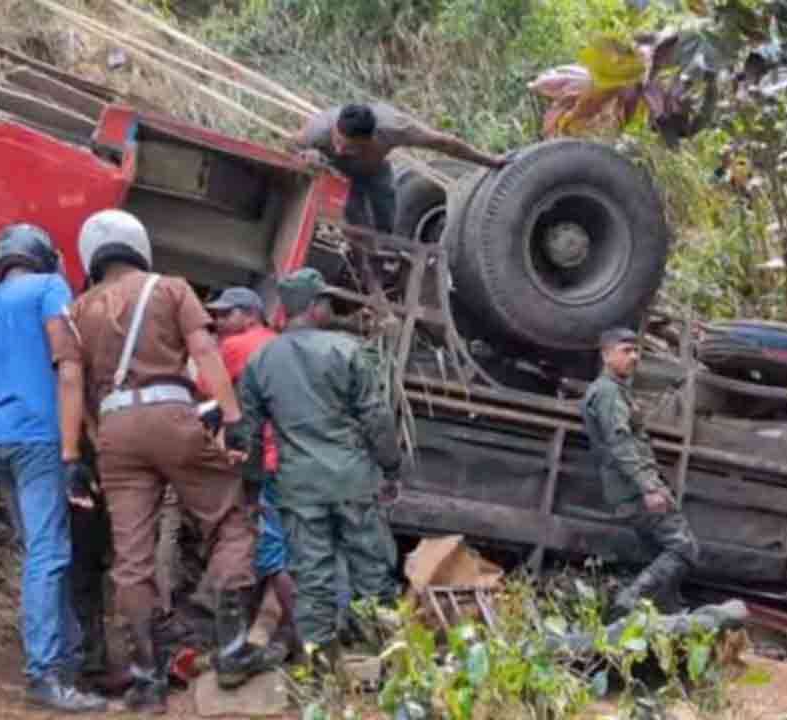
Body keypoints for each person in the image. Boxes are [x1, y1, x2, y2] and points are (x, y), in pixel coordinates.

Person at [68, 209, 260, 708]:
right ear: (138, 246)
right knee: (229, 520)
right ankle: (234, 646)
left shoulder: (80, 308)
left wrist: (81, 449)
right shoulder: (171, 288)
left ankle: (145, 678)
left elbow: (75, 386)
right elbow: (205, 351)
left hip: (114, 431)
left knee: (131, 560)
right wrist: (233, 415)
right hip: (171, 415)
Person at [0, 224, 106, 712]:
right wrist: (72, 452)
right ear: (44, 256)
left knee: (39, 551)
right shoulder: (49, 289)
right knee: (49, 553)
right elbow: (68, 367)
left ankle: (66, 656)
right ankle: (45, 674)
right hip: (38, 437)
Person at [236, 268, 403, 667]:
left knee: (313, 580)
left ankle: (321, 672)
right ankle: (383, 664)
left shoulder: (261, 361)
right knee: (372, 575)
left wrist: (251, 491)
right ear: (312, 308)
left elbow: (249, 437)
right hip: (351, 481)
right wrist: (391, 468)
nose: (330, 308)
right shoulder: (345, 351)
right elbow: (376, 417)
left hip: (298, 487)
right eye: (325, 302)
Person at [205, 286, 298, 661]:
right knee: (285, 545)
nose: (220, 321)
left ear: (250, 315)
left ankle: (252, 634)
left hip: (263, 458)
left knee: (252, 539)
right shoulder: (280, 346)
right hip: (292, 455)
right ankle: (277, 630)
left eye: (227, 315)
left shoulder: (236, 347)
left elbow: (207, 392)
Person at [581, 328, 699, 619]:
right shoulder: (608, 393)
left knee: (658, 554)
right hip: (633, 489)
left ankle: (666, 612)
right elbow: (620, 443)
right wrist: (648, 487)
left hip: (633, 486)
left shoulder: (615, 391)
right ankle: (628, 601)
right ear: (607, 355)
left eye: (636, 350)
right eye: (625, 350)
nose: (634, 356)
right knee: (684, 548)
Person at [293, 103, 505, 234]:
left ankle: (386, 253)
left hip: (375, 172)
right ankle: (364, 257)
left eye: (349, 147)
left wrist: (490, 161)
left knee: (386, 217)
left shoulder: (394, 128)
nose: (339, 150)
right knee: (357, 222)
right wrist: (304, 155)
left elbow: (444, 143)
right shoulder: (318, 129)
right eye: (337, 141)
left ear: (371, 139)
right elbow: (291, 145)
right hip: (338, 174)